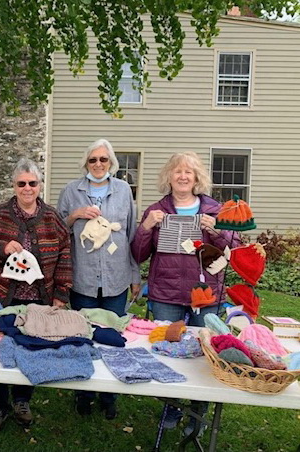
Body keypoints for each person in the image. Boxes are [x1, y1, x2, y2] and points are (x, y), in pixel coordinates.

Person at [131, 151, 239, 435]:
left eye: (188, 172)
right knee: (167, 352)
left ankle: (198, 413)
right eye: (177, 171)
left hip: (206, 294)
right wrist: (146, 227)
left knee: (205, 354)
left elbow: (234, 250)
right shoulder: (156, 210)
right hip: (166, 295)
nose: (182, 176)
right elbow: (139, 254)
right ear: (169, 176)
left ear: (196, 178)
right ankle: (172, 405)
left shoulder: (216, 210)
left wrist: (216, 231)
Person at [0, 157, 72, 436]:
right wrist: (3, 247)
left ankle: (21, 400)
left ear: (40, 185)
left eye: (32, 183)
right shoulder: (1, 214)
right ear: (14, 185)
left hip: (39, 299)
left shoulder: (52, 217)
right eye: (22, 183)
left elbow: (66, 253)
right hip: (4, 296)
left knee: (30, 348)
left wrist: (61, 294)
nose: (27, 188)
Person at [57, 138, 140, 420]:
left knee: (112, 335)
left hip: (116, 278)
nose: (98, 164)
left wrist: (134, 273)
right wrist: (75, 215)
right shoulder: (71, 191)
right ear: (86, 164)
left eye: (103, 160)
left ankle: (109, 395)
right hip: (83, 278)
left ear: (111, 163)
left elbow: (131, 234)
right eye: (93, 160)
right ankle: (84, 392)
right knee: (83, 335)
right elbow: (57, 232)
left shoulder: (123, 190)